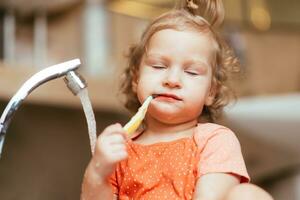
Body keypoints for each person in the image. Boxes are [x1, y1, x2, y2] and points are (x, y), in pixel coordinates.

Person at [81, 0, 273, 199]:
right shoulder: (121, 150)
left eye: (191, 72)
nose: (172, 80)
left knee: (247, 195)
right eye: (159, 67)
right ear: (136, 79)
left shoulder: (214, 140)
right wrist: (98, 170)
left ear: (211, 92)